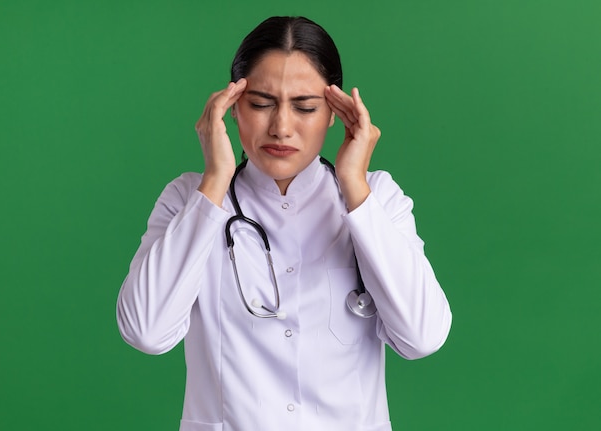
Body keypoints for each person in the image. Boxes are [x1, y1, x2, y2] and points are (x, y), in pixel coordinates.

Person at [117, 16, 452, 431]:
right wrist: (215, 182)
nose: (281, 127)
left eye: (305, 107)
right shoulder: (189, 199)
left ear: (335, 112)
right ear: (231, 106)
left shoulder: (378, 199)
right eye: (260, 104)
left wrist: (354, 189)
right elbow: (146, 332)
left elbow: (421, 337)